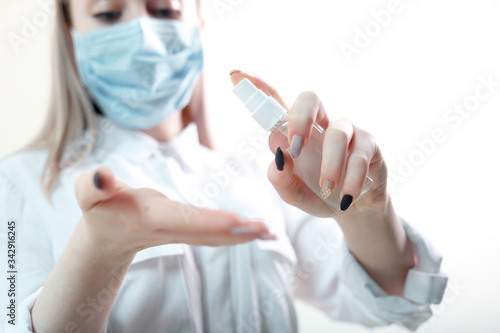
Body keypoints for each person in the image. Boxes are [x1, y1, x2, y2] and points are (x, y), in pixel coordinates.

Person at [0, 0, 448, 332]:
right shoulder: (15, 185)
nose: (147, 35)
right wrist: (99, 251)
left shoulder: (268, 178)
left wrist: (367, 209)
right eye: (108, 14)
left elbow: (399, 299)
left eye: (165, 9)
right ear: (68, 29)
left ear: (198, 18)